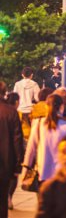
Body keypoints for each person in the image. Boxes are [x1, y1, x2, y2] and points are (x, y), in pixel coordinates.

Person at [23, 94, 66, 185]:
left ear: (46, 106)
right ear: (61, 107)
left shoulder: (38, 123)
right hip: (61, 173)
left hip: (42, 171)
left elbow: (31, 149)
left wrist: (25, 169)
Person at [0, 82, 23, 218]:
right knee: (3, 199)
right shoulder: (11, 112)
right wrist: (18, 164)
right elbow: (17, 140)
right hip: (6, 163)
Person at [15, 66, 41, 132]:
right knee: (31, 131)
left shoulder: (17, 84)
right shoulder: (34, 84)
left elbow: (15, 98)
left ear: (22, 75)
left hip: (20, 111)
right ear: (31, 75)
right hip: (31, 111)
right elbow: (38, 98)